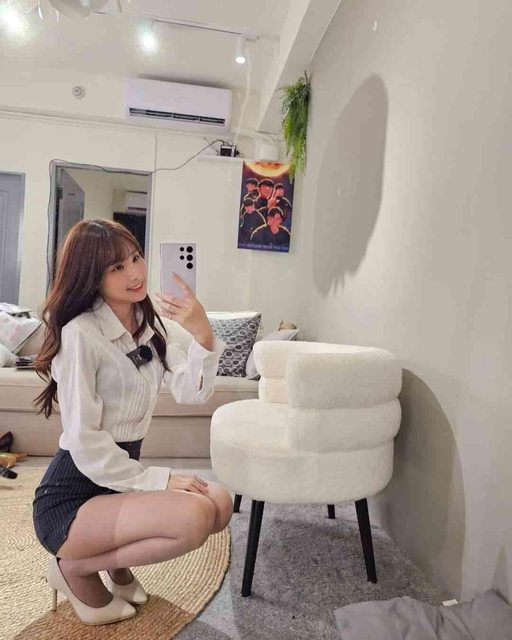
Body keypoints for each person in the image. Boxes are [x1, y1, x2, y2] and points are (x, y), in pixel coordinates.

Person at [32, 219, 232, 626]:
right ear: (91, 276)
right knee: (193, 518)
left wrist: (203, 335)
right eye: (117, 267)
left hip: (117, 483)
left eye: (136, 258)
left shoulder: (149, 323)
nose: (135, 273)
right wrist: (161, 479)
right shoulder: (80, 334)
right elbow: (84, 441)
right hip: (72, 500)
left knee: (220, 504)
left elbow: (191, 391)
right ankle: (74, 568)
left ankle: (115, 566)